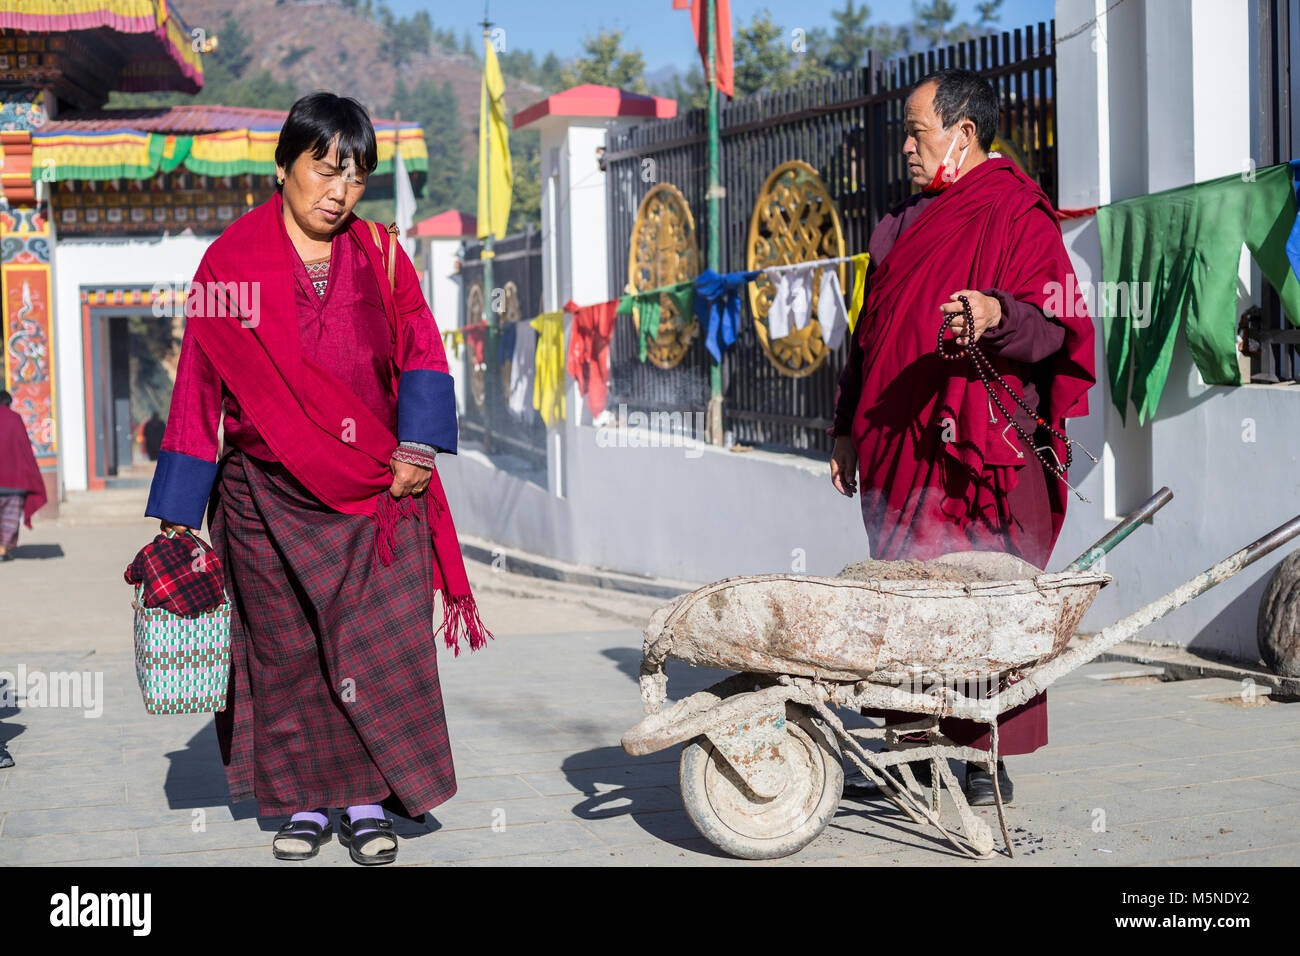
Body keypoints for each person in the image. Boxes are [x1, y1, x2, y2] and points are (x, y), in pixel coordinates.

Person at [145, 92, 490, 865]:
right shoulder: (229, 265)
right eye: (324, 168)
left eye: (356, 175)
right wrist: (178, 511)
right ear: (284, 167)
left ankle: (367, 801)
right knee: (287, 651)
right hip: (263, 496)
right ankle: (303, 802)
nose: (339, 190)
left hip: (376, 493)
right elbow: (199, 383)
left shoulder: (383, 255)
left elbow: (423, 351)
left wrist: (418, 448)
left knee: (377, 646)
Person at [829, 69, 1095, 805]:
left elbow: (1058, 328)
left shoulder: (1015, 212)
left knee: (979, 606)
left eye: (918, 133)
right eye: (907, 135)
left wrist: (995, 314)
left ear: (964, 133)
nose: (906, 150)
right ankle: (911, 756)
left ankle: (983, 760)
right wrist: (845, 427)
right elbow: (868, 335)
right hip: (895, 448)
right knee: (905, 602)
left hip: (975, 450)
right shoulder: (903, 221)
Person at [0, 389, 47, 562]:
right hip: (14, 481)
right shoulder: (15, 419)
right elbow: (25, 450)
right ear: (8, 403)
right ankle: (2, 550)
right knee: (9, 517)